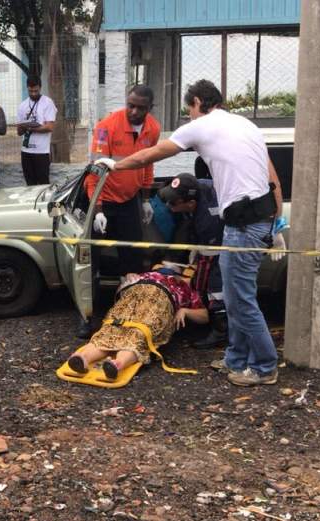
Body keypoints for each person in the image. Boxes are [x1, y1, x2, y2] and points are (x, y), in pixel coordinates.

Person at [107, 79, 285, 386]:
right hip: (254, 219)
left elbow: (151, 154)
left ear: (199, 102)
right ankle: (236, 359)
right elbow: (272, 177)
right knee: (234, 295)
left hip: (244, 225)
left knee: (241, 299)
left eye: (189, 108)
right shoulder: (246, 125)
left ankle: (265, 366)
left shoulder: (202, 125)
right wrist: (277, 222)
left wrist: (113, 165)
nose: (189, 115)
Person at [67, 267, 208, 380]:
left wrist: (185, 311)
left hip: (136, 296)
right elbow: (205, 316)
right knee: (138, 335)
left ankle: (83, 357)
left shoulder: (176, 283)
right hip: (153, 298)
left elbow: (205, 317)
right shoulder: (183, 287)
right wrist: (185, 310)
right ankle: (117, 363)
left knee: (112, 329)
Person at [86, 85, 160, 278]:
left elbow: (148, 164)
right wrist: (98, 210)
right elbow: (95, 172)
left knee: (132, 252)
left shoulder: (153, 129)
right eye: (130, 105)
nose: (134, 112)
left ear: (150, 108)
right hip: (105, 200)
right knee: (92, 253)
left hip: (129, 200)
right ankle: (92, 291)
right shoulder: (106, 127)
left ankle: (128, 293)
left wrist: (145, 200)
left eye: (140, 108)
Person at [159, 172, 227, 348]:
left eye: (173, 203)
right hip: (210, 239)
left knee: (215, 286)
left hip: (224, 244)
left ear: (190, 203)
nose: (169, 205)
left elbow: (211, 253)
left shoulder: (208, 218)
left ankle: (221, 331)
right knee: (199, 281)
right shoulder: (197, 187)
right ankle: (206, 317)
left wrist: (197, 253)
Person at [16, 75, 57, 185]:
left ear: (40, 88)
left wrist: (30, 128)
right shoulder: (22, 105)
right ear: (27, 88)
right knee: (30, 183)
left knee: (43, 184)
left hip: (41, 151)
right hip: (26, 151)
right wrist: (22, 127)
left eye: (36, 91)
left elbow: (49, 127)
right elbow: (19, 132)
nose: (33, 93)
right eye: (30, 91)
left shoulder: (47, 103)